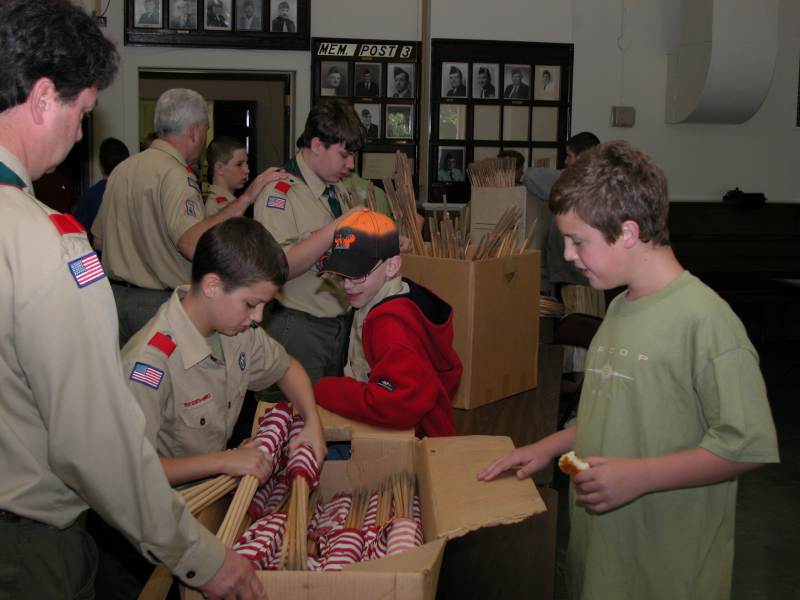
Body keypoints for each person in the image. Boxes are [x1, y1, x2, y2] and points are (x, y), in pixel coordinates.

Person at [0, 1, 262, 598]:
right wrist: (199, 558)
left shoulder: (113, 181)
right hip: (26, 547)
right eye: (82, 111)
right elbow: (96, 443)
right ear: (43, 98)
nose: (79, 133)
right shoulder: (43, 243)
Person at [479, 141, 779, 600]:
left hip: (665, 567)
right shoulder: (619, 307)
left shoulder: (707, 322)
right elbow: (609, 410)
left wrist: (641, 476)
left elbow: (747, 446)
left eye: (578, 241)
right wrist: (547, 447)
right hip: (604, 555)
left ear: (628, 232)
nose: (569, 254)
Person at [123, 217, 326, 484]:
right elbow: (132, 470)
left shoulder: (237, 332)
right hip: (167, 505)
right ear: (212, 287)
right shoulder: (149, 364)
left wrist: (312, 421)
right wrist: (224, 460)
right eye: (251, 303)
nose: (258, 317)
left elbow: (286, 367)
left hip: (213, 489)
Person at [93, 88, 286, 346]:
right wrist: (246, 199)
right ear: (195, 131)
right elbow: (191, 244)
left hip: (114, 303)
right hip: (155, 306)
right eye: (206, 130)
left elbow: (98, 240)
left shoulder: (122, 170)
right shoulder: (177, 176)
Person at [314, 210, 461, 437]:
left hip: (412, 443)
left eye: (357, 275)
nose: (347, 286)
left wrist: (324, 389)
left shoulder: (390, 328)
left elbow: (396, 406)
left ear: (392, 266)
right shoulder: (392, 293)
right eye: (341, 276)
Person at [253, 99, 366, 383]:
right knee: (293, 416)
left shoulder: (336, 189)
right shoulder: (279, 194)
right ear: (317, 145)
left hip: (338, 324)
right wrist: (336, 227)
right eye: (344, 155)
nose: (351, 165)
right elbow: (279, 267)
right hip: (299, 327)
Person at [522, 131, 600, 301]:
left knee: (574, 318)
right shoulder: (604, 183)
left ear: (583, 157)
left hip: (572, 271)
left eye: (569, 156)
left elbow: (530, 175)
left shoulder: (570, 182)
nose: (566, 161)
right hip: (590, 267)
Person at [73, 137, 130, 241]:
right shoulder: (134, 192)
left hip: (101, 255)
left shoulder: (91, 196)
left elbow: (78, 236)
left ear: (101, 163)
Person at [204, 135, 249, 217]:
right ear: (219, 168)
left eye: (246, 163)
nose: (247, 170)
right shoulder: (217, 208)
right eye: (239, 164)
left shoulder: (230, 202)